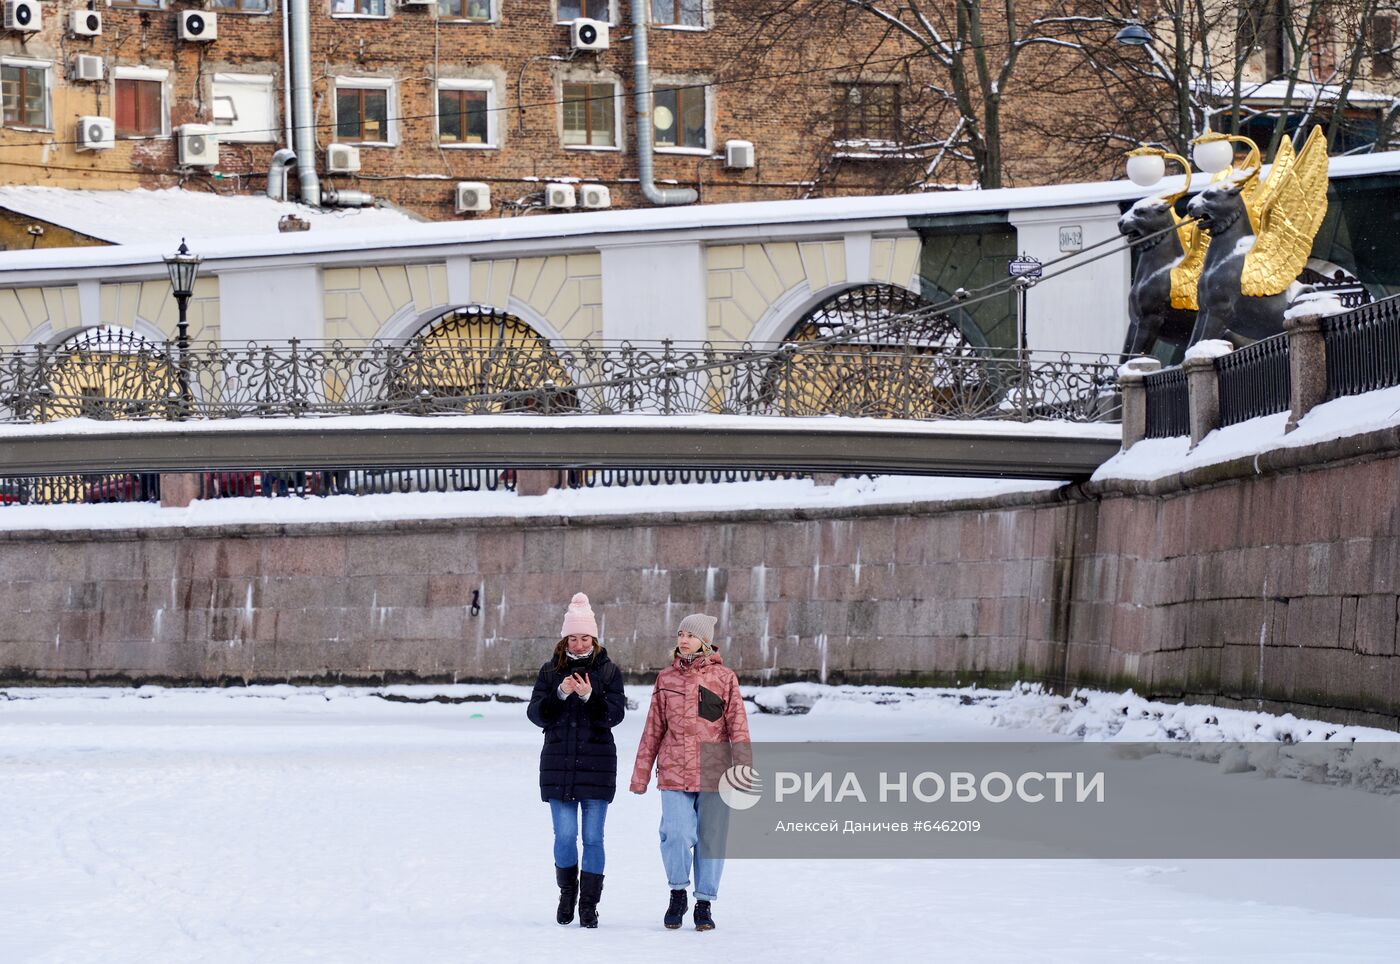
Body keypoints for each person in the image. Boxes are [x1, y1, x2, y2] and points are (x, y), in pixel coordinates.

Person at [630, 613, 751, 932]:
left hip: (714, 773)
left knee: (711, 840)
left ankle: (704, 903)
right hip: (673, 772)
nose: (683, 640)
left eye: (690, 635)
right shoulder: (666, 679)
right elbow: (653, 729)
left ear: (705, 641)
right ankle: (677, 893)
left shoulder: (724, 678)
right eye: (680, 634)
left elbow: (737, 727)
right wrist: (641, 773)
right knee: (677, 834)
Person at [526, 593, 626, 928]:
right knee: (565, 836)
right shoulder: (550, 671)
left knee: (594, 838)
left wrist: (589, 696)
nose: (579, 643)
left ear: (594, 639)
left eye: (585, 637)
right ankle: (567, 893)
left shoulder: (609, 672)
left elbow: (614, 716)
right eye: (573, 637)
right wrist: (560, 693)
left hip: (597, 767)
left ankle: (589, 904)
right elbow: (536, 715)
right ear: (565, 639)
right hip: (558, 767)